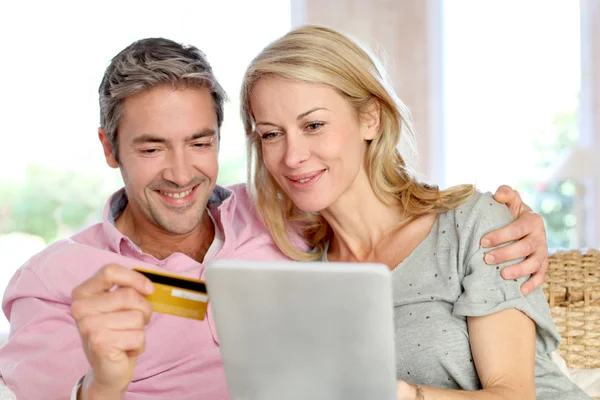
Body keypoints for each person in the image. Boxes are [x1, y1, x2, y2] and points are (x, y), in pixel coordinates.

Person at [0, 37, 547, 400]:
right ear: (109, 148)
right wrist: (102, 385)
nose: (180, 171)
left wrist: (513, 219)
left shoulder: (280, 220)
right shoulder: (53, 282)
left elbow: (395, 212)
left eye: (199, 141)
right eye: (150, 149)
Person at [240, 25, 589, 399]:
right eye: (271, 134)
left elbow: (513, 395)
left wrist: (399, 394)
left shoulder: (473, 225)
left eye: (314, 125)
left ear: (370, 119)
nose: (293, 156)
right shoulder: (302, 271)